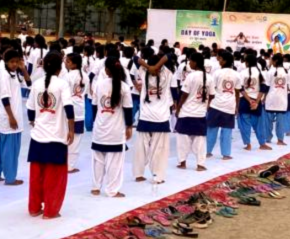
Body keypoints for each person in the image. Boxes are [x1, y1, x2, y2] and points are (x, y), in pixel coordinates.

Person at [25, 53, 74, 219]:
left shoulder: (37, 84)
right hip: (56, 137)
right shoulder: (62, 84)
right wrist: (71, 129)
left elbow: (30, 109)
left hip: (38, 136)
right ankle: (50, 212)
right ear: (60, 69)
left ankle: (34, 208)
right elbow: (69, 108)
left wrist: (34, 121)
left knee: (36, 177)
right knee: (54, 178)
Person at [89, 56, 134, 197]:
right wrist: (129, 127)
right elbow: (128, 110)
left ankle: (96, 187)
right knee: (115, 162)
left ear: (107, 70)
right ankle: (112, 190)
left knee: (97, 160)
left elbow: (95, 106)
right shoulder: (125, 87)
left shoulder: (99, 85)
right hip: (116, 131)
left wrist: (97, 120)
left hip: (100, 129)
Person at [134, 49, 173, 184]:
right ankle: (158, 176)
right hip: (161, 118)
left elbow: (135, 58)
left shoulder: (143, 72)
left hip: (145, 117)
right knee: (159, 150)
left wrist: (149, 67)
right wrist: (157, 67)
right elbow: (170, 55)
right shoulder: (166, 74)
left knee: (141, 148)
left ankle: (138, 174)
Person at [0, 49, 29, 186]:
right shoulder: (4, 75)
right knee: (10, 150)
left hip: (14, 114)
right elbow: (5, 98)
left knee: (1, 147)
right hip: (9, 115)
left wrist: (23, 69)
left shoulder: (15, 74)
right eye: (12, 62)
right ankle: (10, 177)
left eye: (16, 62)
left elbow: (29, 84)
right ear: (6, 61)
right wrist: (11, 117)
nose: (14, 64)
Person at [175, 52, 212, 170]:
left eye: (190, 61)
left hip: (186, 111)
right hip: (200, 113)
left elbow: (184, 94)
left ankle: (182, 162)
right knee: (200, 140)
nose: (189, 63)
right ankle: (200, 164)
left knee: (182, 139)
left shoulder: (190, 76)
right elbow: (212, 95)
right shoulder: (209, 77)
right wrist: (207, 105)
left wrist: (178, 108)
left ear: (195, 62)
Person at [207, 51, 241, 158]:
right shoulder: (237, 74)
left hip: (216, 104)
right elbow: (237, 92)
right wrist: (236, 107)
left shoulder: (217, 73)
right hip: (229, 106)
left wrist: (208, 103)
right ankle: (226, 154)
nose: (219, 61)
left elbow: (211, 90)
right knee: (227, 131)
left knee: (212, 129)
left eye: (220, 59)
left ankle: (208, 151)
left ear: (225, 60)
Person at [237, 49, 267, 150]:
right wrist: (256, 102)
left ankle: (248, 144)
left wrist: (249, 101)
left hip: (244, 101)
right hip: (257, 102)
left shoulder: (242, 73)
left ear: (247, 62)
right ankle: (262, 143)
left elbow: (240, 89)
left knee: (244, 124)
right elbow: (263, 89)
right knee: (259, 124)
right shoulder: (261, 73)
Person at [63, 53, 87, 173]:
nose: (66, 63)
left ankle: (66, 164)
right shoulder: (85, 76)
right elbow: (85, 93)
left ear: (75, 64)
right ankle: (70, 165)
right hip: (79, 110)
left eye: (68, 62)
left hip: (68, 110)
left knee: (66, 136)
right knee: (76, 139)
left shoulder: (67, 77)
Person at [263, 53, 290, 143]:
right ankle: (280, 139)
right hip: (282, 99)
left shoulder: (270, 72)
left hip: (271, 98)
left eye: (272, 60)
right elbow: (288, 87)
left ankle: (268, 138)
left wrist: (263, 98)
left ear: (275, 61)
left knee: (268, 121)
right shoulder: (286, 72)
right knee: (281, 122)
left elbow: (266, 87)